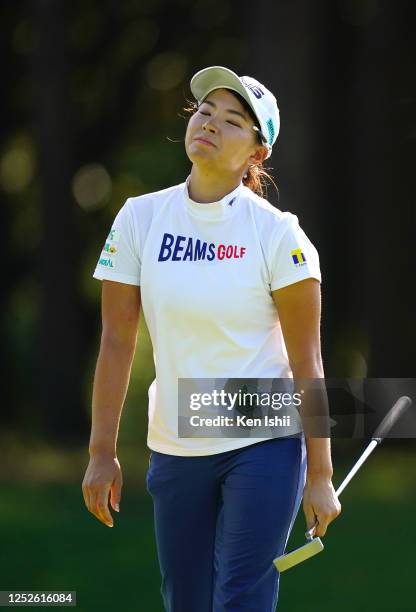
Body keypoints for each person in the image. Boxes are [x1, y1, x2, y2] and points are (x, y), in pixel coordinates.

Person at [82, 65, 341, 611]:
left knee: (241, 599)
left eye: (232, 121)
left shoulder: (279, 235)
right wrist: (101, 452)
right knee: (186, 601)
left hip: (264, 438)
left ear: (257, 153)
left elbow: (307, 362)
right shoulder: (139, 217)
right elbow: (115, 340)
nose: (210, 124)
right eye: (205, 112)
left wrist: (319, 473)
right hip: (177, 438)